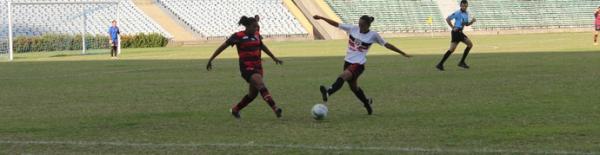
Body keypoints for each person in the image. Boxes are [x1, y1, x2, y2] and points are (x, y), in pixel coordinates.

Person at [313, 14, 411, 115]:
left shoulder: (373, 35)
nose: (360, 27)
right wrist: (322, 18)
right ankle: (367, 102)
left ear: (368, 26)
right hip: (347, 62)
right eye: (359, 24)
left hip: (358, 64)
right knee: (354, 88)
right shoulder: (353, 28)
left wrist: (402, 53)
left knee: (343, 76)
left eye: (362, 25)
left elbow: (387, 45)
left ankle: (328, 92)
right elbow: (336, 24)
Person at [206, 15, 284, 119]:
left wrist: (274, 58)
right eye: (254, 27)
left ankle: (235, 109)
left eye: (257, 27)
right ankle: (275, 108)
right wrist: (211, 59)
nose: (256, 29)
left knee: (253, 94)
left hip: (258, 67)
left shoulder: (256, 34)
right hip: (247, 68)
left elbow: (262, 46)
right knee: (260, 84)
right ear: (247, 27)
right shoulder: (238, 36)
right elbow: (222, 47)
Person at [436, 0, 476, 71]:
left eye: (466, 6)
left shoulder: (466, 13)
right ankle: (460, 62)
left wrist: (472, 22)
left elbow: (466, 24)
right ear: (460, 6)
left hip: (459, 32)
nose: (464, 7)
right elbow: (448, 19)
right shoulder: (457, 13)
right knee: (468, 45)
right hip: (456, 32)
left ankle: (441, 64)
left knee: (454, 49)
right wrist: (452, 27)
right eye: (463, 6)